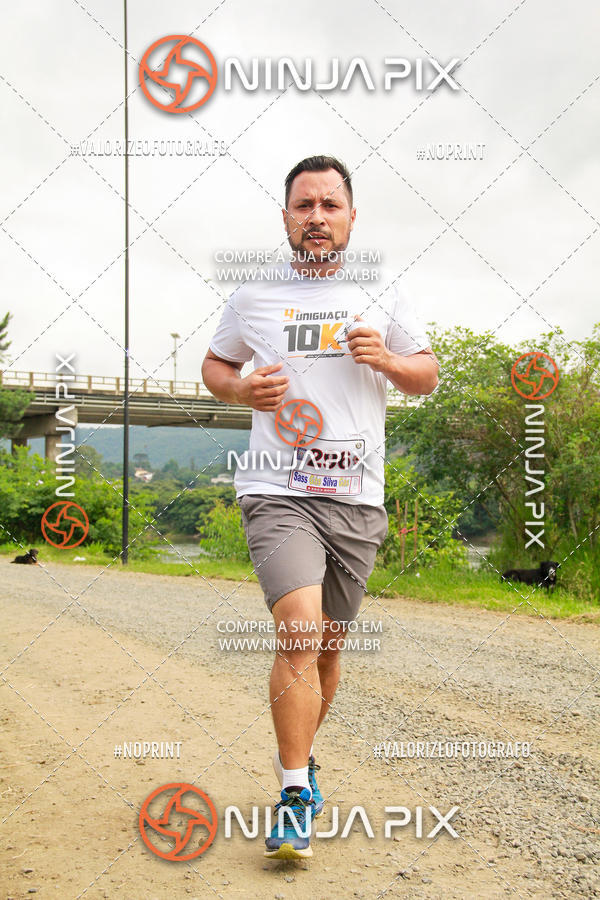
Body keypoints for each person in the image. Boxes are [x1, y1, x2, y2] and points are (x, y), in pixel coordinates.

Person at [202, 155, 438, 859]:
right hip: (278, 489)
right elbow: (216, 366)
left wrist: (389, 362)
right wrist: (242, 390)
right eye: (304, 205)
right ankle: (296, 794)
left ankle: (299, 764)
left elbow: (425, 375)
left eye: (329, 205)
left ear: (350, 219)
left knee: (329, 651)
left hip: (355, 498)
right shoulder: (253, 295)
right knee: (299, 633)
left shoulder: (383, 291)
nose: (316, 217)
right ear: (285, 218)